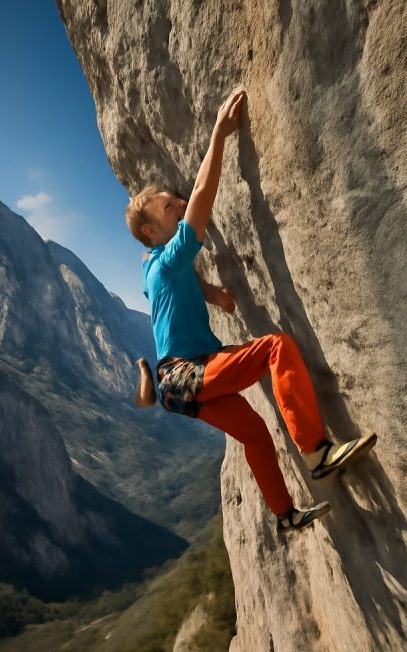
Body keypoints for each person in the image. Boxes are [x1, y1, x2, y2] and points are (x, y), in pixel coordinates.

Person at [127, 91, 376, 533]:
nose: (181, 205)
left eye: (176, 201)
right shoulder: (167, 258)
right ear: (151, 229)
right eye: (170, 207)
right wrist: (219, 135)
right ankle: (317, 452)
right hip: (187, 371)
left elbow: (168, 288)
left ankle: (285, 515)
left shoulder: (153, 268)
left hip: (174, 385)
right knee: (275, 349)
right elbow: (204, 193)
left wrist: (210, 293)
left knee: (256, 433)